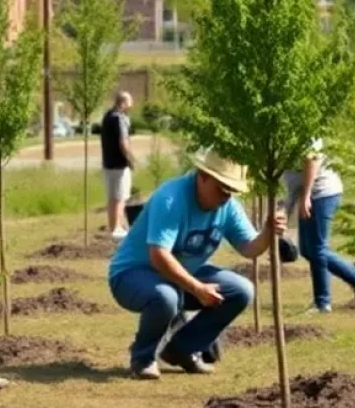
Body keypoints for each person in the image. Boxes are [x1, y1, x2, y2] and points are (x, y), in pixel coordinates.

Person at [108, 149, 286, 380]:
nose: (227, 196)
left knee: (241, 290)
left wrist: (267, 232)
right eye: (222, 189)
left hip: (182, 275)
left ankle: (183, 349)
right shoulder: (171, 198)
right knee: (167, 296)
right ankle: (143, 358)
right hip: (133, 275)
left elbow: (249, 248)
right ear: (202, 176)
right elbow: (158, 256)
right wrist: (197, 288)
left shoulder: (227, 205)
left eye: (231, 190)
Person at [284, 140, 355, 313]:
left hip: (321, 192)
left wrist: (307, 196)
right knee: (307, 250)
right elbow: (292, 183)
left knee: (317, 249)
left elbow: (312, 158)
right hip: (308, 194)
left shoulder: (304, 128)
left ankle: (322, 303)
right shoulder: (280, 136)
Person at [101, 91, 134, 240]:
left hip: (108, 163)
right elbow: (123, 141)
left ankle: (112, 227)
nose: (130, 108)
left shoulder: (107, 117)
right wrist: (130, 159)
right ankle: (118, 227)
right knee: (121, 197)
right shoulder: (120, 119)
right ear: (123, 103)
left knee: (111, 197)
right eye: (129, 104)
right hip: (120, 164)